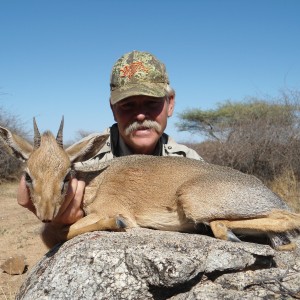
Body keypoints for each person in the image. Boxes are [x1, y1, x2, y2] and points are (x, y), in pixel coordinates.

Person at [17, 50, 203, 241]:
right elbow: (50, 239)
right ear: (113, 109)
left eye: (151, 103)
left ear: (170, 104)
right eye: (128, 105)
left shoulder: (189, 161)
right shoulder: (88, 161)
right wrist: (58, 223)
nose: (140, 115)